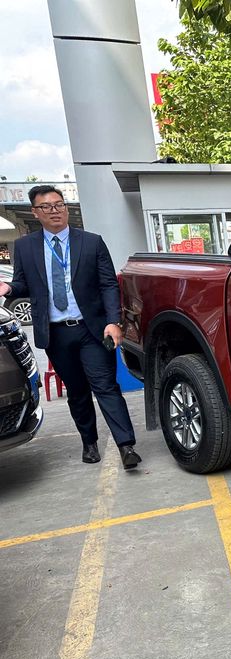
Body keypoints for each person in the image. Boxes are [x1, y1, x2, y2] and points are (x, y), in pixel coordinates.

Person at [0, 185, 141, 469]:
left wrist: (113, 322)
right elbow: (23, 284)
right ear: (35, 212)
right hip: (55, 332)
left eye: (59, 204)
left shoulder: (91, 242)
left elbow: (108, 284)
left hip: (92, 329)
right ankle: (89, 442)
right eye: (48, 207)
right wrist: (7, 287)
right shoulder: (26, 247)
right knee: (76, 391)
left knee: (106, 386)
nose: (56, 211)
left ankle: (126, 446)